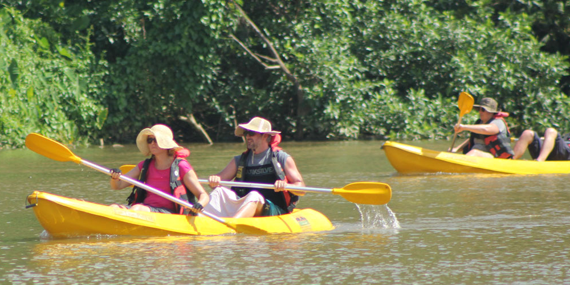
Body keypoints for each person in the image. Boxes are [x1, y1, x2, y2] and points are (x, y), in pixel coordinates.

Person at [204, 117, 305, 218]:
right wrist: (215, 180)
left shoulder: (282, 157)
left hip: (274, 208)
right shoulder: (239, 160)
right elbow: (217, 182)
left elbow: (301, 189)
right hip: (246, 204)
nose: (247, 136)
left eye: (251, 133)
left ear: (265, 136)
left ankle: (233, 226)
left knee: (254, 196)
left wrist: (286, 185)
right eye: (246, 133)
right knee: (219, 191)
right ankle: (202, 220)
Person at [109, 124, 209, 214]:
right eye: (149, 140)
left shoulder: (181, 166)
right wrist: (115, 177)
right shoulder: (144, 165)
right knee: (113, 208)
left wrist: (199, 205)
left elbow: (203, 195)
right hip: (146, 209)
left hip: (169, 213)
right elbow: (118, 185)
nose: (152, 143)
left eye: (156, 140)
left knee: (137, 209)